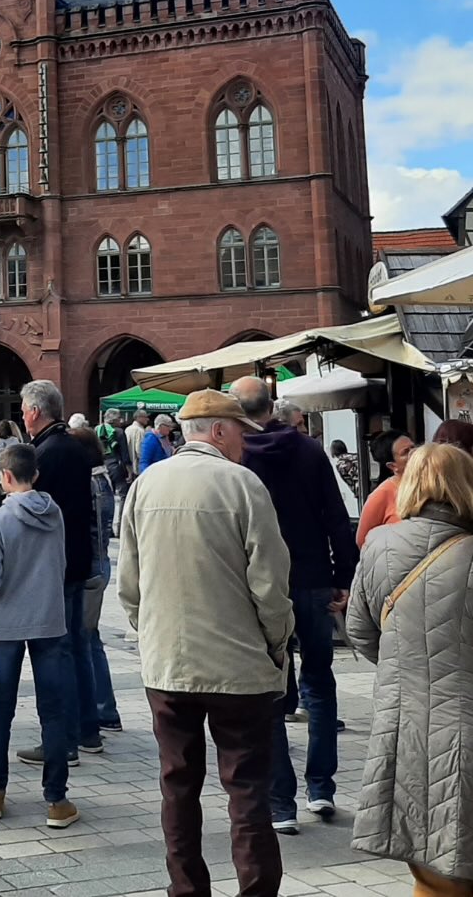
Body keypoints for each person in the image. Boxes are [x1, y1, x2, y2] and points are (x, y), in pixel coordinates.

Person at [117, 389, 294, 897]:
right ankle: (256, 890)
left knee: (178, 786)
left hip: (168, 666)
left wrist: (152, 634)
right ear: (218, 430)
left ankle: (187, 890)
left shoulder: (145, 485)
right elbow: (269, 583)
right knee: (247, 792)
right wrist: (276, 643)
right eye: (240, 432)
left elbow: (129, 583)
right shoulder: (243, 485)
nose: (245, 443)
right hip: (239, 667)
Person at [347, 442, 473, 896]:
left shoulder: (378, 544)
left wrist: (406, 666)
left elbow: (358, 630)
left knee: (425, 852)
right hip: (464, 721)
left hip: (401, 724)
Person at [233, 378, 359, 832]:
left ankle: (281, 802)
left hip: (263, 585)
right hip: (312, 579)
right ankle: (321, 788)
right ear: (273, 406)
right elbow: (335, 517)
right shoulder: (309, 451)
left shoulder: (238, 457)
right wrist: (342, 577)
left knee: (270, 691)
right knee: (320, 685)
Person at [0, 442, 78, 829]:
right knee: (51, 709)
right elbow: (63, 562)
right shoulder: (55, 515)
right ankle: (56, 798)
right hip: (49, 617)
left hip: (9, 621)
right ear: (35, 475)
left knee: (1, 705)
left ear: (4, 477)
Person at [17, 379, 103, 765]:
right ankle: (88, 730)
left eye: (23, 408)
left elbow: (33, 511)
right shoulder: (71, 446)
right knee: (78, 647)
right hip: (77, 557)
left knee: (58, 651)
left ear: (36, 411)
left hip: (55, 563)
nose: (21, 414)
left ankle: (63, 741)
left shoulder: (46, 453)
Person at [69, 423, 123, 734]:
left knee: (86, 641)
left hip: (89, 566)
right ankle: (105, 708)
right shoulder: (102, 478)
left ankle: (103, 710)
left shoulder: (87, 482)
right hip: (100, 564)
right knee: (91, 639)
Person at [357, 430, 417, 547]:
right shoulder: (382, 494)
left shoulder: (430, 484)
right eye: (406, 452)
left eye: (413, 447)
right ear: (392, 466)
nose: (414, 453)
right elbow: (362, 541)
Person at [97, 408, 132, 537]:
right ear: (114, 420)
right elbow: (124, 453)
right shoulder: (119, 432)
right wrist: (129, 470)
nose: (121, 421)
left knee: (107, 496)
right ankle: (120, 527)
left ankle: (108, 527)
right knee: (123, 495)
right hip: (117, 465)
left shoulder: (97, 430)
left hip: (102, 466)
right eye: (119, 419)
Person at [125, 408, 149, 476]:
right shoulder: (139, 430)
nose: (147, 419)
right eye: (146, 417)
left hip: (129, 465)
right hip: (137, 466)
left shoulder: (128, 428)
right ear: (139, 418)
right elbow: (140, 450)